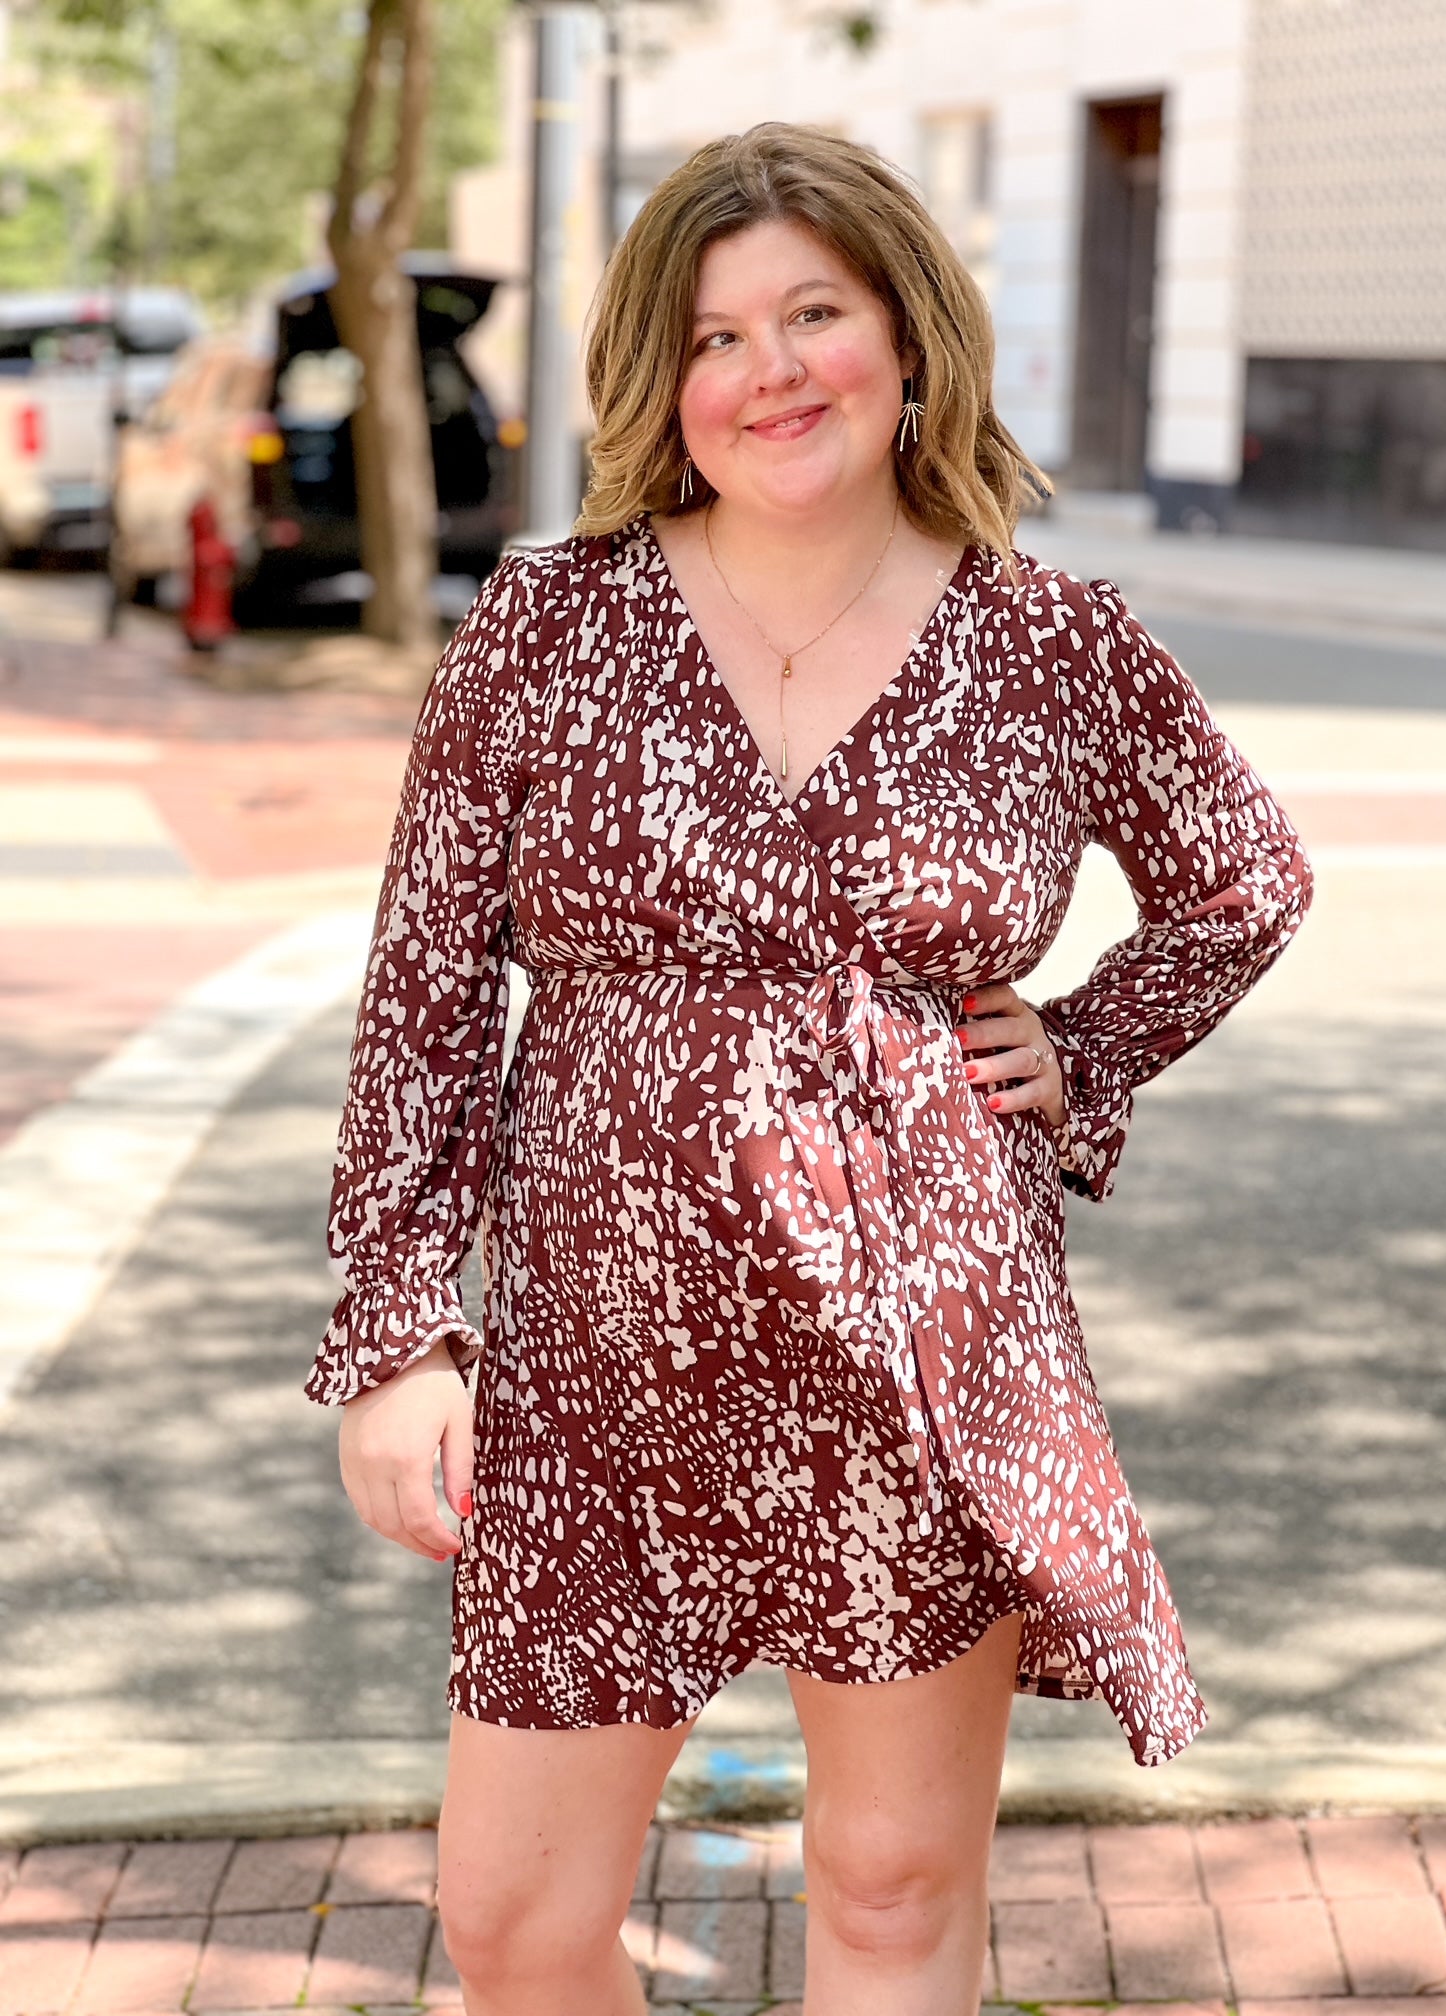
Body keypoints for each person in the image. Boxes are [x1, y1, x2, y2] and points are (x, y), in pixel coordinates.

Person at [305, 122, 1314, 2016]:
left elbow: (1245, 878)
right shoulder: (547, 628)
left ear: (907, 336)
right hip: (596, 1373)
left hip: (925, 1357)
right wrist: (399, 1340)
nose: (767, 372)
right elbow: (423, 994)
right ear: (659, 380)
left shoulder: (1047, 640)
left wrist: (1087, 1048)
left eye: (812, 314)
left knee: (889, 1889)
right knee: (512, 1915)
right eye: (712, 338)